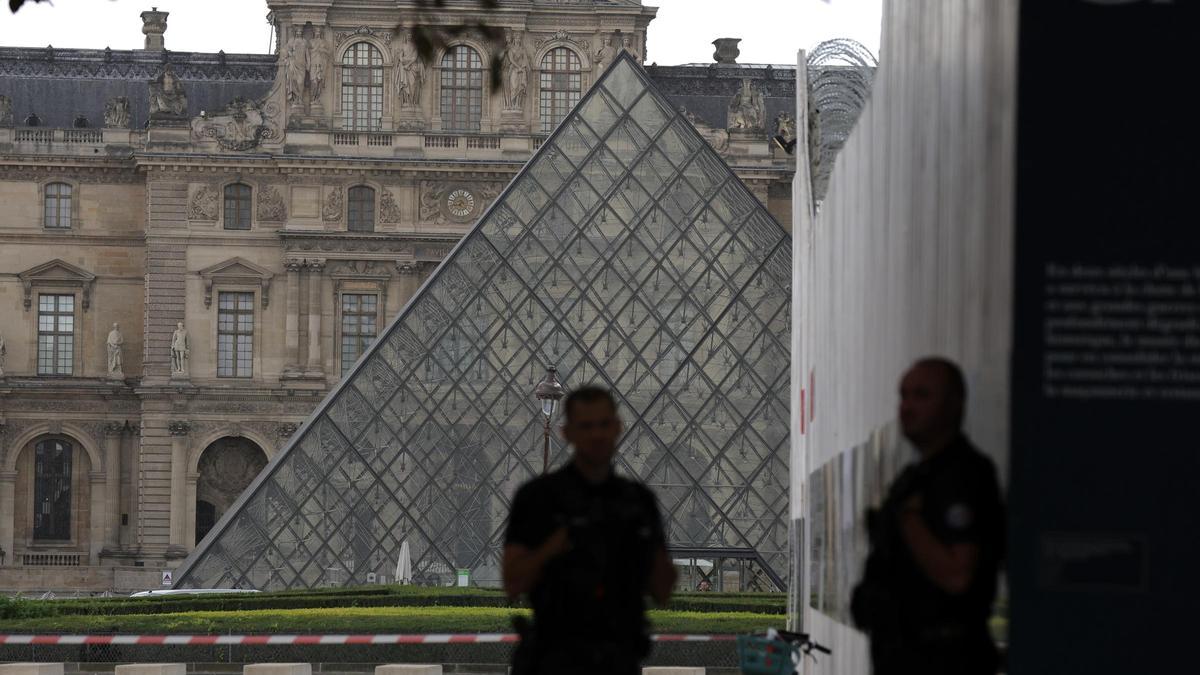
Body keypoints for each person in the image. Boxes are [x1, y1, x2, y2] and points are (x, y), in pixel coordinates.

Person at [502, 386, 677, 675]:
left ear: (617, 428)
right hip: (555, 657)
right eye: (586, 426)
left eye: (604, 425)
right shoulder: (537, 499)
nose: (596, 435)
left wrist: (638, 545)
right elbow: (513, 583)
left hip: (616, 657)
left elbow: (663, 589)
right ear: (567, 432)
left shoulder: (637, 503)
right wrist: (555, 546)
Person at [851, 357, 1005, 675]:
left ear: (954, 404)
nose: (907, 407)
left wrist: (909, 520)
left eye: (922, 395)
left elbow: (957, 574)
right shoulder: (914, 478)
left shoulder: (963, 475)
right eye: (904, 395)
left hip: (944, 661)